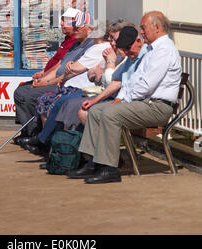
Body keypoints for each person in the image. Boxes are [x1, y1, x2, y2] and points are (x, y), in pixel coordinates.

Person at [70, 11, 182, 184]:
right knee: (96, 110)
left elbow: (146, 85)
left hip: (157, 107)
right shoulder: (153, 49)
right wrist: (121, 99)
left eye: (144, 28)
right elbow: (133, 81)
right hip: (146, 103)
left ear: (157, 27)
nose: (142, 32)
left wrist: (122, 100)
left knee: (110, 114)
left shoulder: (164, 50)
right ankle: (93, 162)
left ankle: (110, 168)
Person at [21, 16, 111, 154]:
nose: (75, 30)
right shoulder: (83, 45)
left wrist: (56, 79)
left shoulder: (98, 48)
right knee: (42, 99)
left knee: (52, 101)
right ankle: (48, 145)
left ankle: (45, 142)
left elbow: (75, 68)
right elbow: (64, 65)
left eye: (78, 27)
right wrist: (47, 77)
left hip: (81, 89)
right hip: (72, 85)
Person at [13, 9, 94, 142]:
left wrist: (46, 82)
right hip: (55, 79)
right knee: (21, 91)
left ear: (88, 28)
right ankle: (29, 132)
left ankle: (37, 135)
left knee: (29, 95)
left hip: (67, 85)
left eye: (77, 27)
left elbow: (70, 72)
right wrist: (43, 78)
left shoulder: (90, 45)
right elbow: (60, 66)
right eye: (73, 26)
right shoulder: (73, 43)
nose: (74, 30)